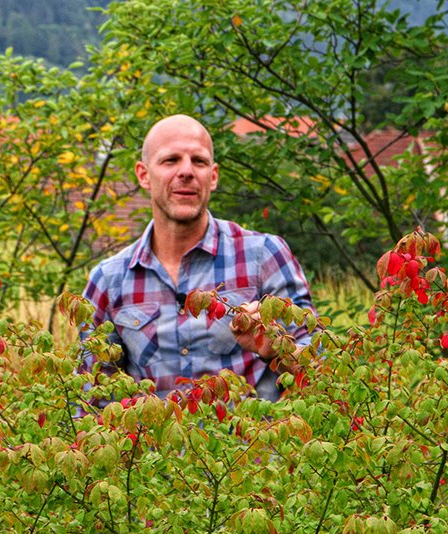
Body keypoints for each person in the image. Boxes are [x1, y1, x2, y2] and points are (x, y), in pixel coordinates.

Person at [81, 114, 316, 401]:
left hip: (250, 443)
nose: (186, 171)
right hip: (153, 446)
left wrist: (278, 349)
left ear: (213, 176)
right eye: (170, 161)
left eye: (199, 161)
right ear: (143, 174)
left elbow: (321, 371)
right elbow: (92, 400)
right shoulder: (108, 281)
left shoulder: (263, 257)